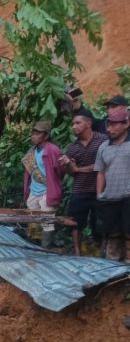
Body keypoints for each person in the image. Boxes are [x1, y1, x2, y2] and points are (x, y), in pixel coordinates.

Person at [60, 110, 109, 256]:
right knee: (76, 222)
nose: (74, 126)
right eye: (73, 124)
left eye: (77, 123)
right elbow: (71, 172)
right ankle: (77, 251)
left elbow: (103, 164)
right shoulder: (72, 147)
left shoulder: (103, 140)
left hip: (100, 188)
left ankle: (102, 250)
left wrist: (79, 168)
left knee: (101, 221)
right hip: (80, 189)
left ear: (88, 123)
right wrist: (68, 164)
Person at [94, 106, 130, 261]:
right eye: (108, 124)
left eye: (115, 124)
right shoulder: (103, 147)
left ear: (126, 124)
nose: (110, 128)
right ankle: (113, 272)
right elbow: (100, 172)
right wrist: (99, 194)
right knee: (112, 235)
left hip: (128, 197)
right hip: (110, 198)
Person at [22, 121, 64, 247]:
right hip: (34, 191)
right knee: (33, 220)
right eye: (33, 133)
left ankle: (46, 247)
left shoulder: (53, 150)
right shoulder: (32, 151)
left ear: (45, 136)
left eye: (37, 133)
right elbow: (28, 173)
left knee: (47, 222)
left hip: (48, 191)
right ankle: (35, 246)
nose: (33, 136)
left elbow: (60, 171)